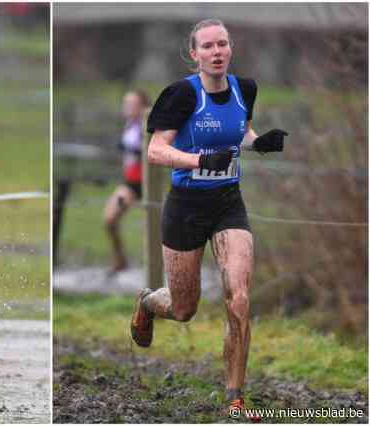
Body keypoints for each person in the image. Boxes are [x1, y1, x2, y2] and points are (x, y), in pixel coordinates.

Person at [129, 19, 287, 416]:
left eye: (222, 44)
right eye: (208, 46)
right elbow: (155, 151)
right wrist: (199, 159)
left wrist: (259, 143)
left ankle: (235, 399)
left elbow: (242, 132)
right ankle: (148, 303)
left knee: (239, 299)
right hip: (185, 207)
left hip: (228, 204)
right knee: (184, 310)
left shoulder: (244, 88)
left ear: (230, 49)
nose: (216, 52)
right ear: (194, 54)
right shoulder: (181, 95)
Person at [103, 90, 151, 273]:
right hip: (130, 183)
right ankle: (120, 259)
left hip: (146, 184)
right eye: (126, 104)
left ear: (143, 107)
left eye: (132, 104)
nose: (127, 108)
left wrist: (131, 150)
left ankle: (154, 267)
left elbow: (149, 153)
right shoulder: (130, 125)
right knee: (109, 218)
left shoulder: (147, 127)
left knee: (154, 230)